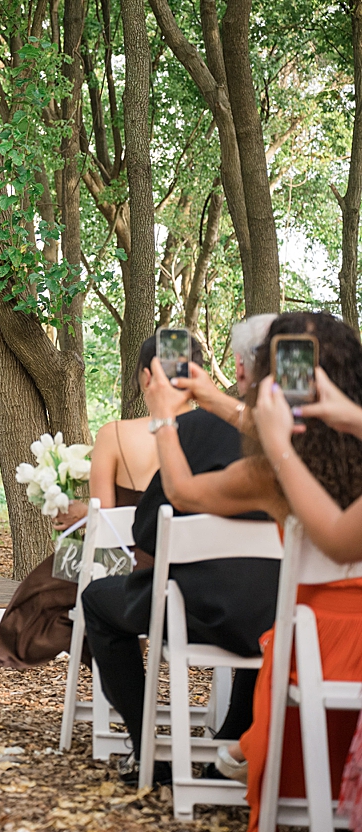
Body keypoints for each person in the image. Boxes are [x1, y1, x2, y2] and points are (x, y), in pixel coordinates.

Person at [81, 320, 283, 785]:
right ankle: (229, 745)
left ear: (239, 367)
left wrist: (167, 419)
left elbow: (150, 534)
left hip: (192, 610)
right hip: (282, 616)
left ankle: (146, 746)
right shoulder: (311, 446)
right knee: (259, 606)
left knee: (97, 599)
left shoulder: (188, 430)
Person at [232, 313, 362, 825]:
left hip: (318, 644)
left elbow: (335, 538)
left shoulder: (261, 473)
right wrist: (352, 416)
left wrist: (280, 446)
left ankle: (244, 748)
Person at [0, 334, 174, 669]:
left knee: (50, 576)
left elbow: (106, 531)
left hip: (129, 570)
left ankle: (84, 646)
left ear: (144, 377)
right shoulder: (219, 434)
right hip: (197, 575)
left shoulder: (116, 434)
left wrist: (84, 512)